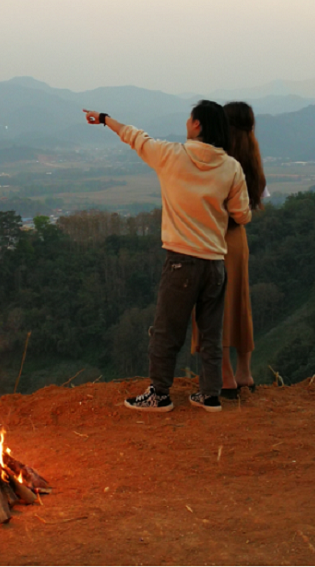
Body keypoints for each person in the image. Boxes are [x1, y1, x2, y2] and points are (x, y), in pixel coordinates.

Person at [84, 101, 251, 412]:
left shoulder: (171, 155)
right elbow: (242, 214)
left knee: (166, 330)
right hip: (216, 263)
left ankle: (159, 393)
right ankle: (210, 394)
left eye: (190, 119)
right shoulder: (231, 167)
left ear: (197, 125)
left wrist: (105, 119)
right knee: (212, 332)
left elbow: (135, 137)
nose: (187, 122)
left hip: (181, 262)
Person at [191, 101, 266, 397]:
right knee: (240, 302)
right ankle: (244, 372)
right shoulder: (253, 161)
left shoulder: (222, 161)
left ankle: (224, 377)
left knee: (212, 305)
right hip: (239, 240)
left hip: (214, 237)